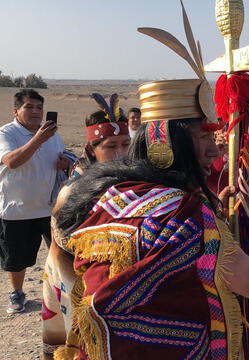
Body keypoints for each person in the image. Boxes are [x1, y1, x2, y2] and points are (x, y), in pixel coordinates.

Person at [49, 6, 249, 358]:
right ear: (167, 142)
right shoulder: (184, 211)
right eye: (202, 136)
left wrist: (217, 216)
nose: (214, 148)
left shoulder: (108, 197)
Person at [41, 94, 130, 358]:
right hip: (73, 278)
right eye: (111, 146)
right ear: (92, 149)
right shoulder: (75, 189)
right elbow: (65, 240)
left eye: (125, 144)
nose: (121, 153)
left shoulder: (125, 179)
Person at [0, 89, 69, 314]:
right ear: (16, 110)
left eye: (39, 107)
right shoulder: (7, 133)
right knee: (17, 259)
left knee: (59, 256)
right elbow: (11, 161)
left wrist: (64, 162)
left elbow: (62, 157)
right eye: (29, 107)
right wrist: (39, 138)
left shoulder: (52, 134)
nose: (35, 112)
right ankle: (17, 293)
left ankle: (60, 294)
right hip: (17, 210)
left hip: (50, 209)